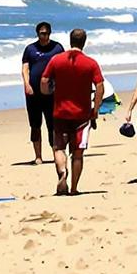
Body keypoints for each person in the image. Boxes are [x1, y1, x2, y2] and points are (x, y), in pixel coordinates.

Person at [42, 27, 105, 195]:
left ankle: (62, 172)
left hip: (60, 113)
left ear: (70, 41)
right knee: (77, 154)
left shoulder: (56, 60)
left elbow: (44, 81)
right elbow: (100, 87)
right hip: (82, 115)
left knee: (59, 148)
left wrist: (47, 92)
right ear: (84, 42)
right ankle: (75, 188)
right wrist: (95, 109)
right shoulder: (91, 63)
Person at [19, 21, 63, 164]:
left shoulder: (57, 48)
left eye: (46, 33)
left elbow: (64, 67)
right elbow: (25, 69)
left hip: (52, 94)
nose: (44, 36)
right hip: (33, 94)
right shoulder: (30, 49)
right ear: (37, 34)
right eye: (41, 33)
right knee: (35, 125)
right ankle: (38, 156)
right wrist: (26, 84)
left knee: (53, 125)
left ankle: (55, 152)